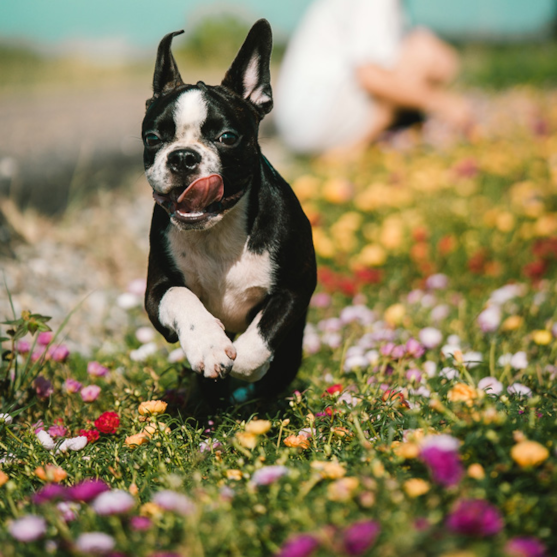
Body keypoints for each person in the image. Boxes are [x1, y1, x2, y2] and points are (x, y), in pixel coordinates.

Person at [274, 0, 472, 156]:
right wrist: (442, 102)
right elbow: (369, 76)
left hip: (301, 124)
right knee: (425, 51)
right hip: (317, 119)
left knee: (431, 53)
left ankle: (376, 139)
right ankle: (351, 149)